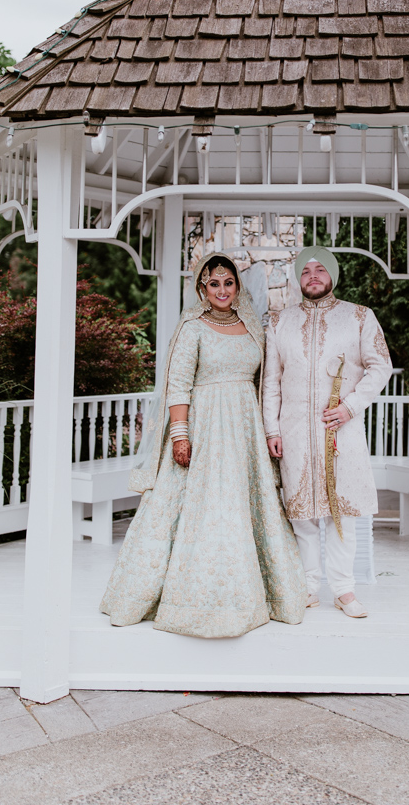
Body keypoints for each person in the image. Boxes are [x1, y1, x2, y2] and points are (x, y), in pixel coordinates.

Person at [100, 252, 306, 638]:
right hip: (206, 428)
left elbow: (265, 382)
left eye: (229, 282)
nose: (223, 290)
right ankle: (184, 598)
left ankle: (258, 596)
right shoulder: (192, 328)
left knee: (244, 507)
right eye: (214, 283)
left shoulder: (252, 329)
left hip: (244, 432)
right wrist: (180, 435)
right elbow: (178, 384)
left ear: (237, 286)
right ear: (202, 288)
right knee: (205, 506)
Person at [263, 246, 393, 619]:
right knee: (302, 514)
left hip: (342, 429)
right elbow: (271, 381)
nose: (313, 276)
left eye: (321, 270)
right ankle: (307, 587)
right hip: (293, 432)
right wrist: (272, 427)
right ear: (298, 278)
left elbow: (380, 367)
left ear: (333, 276)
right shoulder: (279, 322)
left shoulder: (359, 317)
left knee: (343, 513)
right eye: (306, 271)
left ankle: (343, 589)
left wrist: (350, 406)